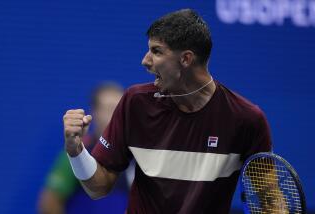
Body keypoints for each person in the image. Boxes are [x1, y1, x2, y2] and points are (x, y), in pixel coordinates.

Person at [63, 9, 272, 213]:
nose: (145, 61)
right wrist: (76, 151)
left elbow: (269, 200)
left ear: (186, 59)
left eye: (156, 51)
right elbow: (98, 187)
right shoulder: (136, 103)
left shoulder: (246, 120)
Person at [38, 82, 131, 214]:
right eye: (109, 108)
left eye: (120, 109)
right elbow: (49, 202)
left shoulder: (135, 153)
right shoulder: (76, 152)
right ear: (95, 113)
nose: (116, 115)